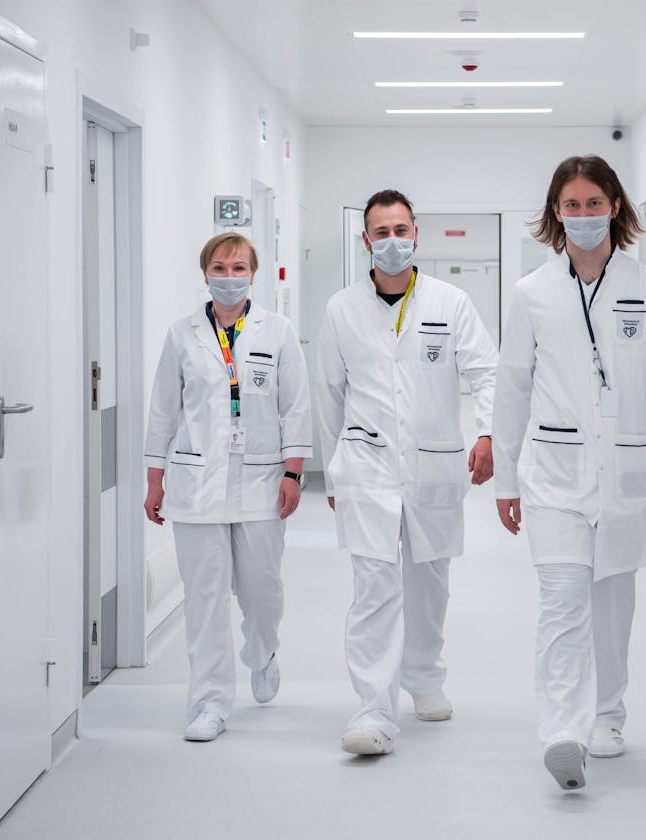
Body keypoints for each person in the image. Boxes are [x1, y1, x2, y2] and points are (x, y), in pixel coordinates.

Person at [493, 155, 646, 791]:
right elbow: (512, 388)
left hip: (628, 469)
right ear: (556, 212)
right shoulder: (532, 292)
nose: (582, 216)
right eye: (571, 205)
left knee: (611, 602)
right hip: (553, 474)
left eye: (593, 203)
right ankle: (563, 729)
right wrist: (504, 479)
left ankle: (608, 715)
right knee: (561, 603)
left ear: (615, 206)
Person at [314, 189, 498, 757]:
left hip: (433, 465)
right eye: (380, 231)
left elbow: (487, 371)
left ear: (416, 233)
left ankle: (424, 677)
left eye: (401, 229)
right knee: (373, 588)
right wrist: (335, 471)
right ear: (365, 240)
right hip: (366, 467)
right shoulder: (341, 308)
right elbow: (328, 393)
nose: (392, 241)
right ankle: (373, 708)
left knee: (429, 583)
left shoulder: (451, 301)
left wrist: (488, 432)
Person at [143, 232, 314, 742]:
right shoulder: (182, 335)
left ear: (253, 274)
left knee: (262, 592)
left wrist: (293, 472)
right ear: (205, 273)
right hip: (196, 484)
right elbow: (162, 411)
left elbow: (297, 406)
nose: (230, 275)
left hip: (262, 480)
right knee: (205, 598)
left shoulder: (278, 331)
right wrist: (155, 480)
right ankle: (210, 703)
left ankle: (262, 650)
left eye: (240, 267)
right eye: (221, 266)